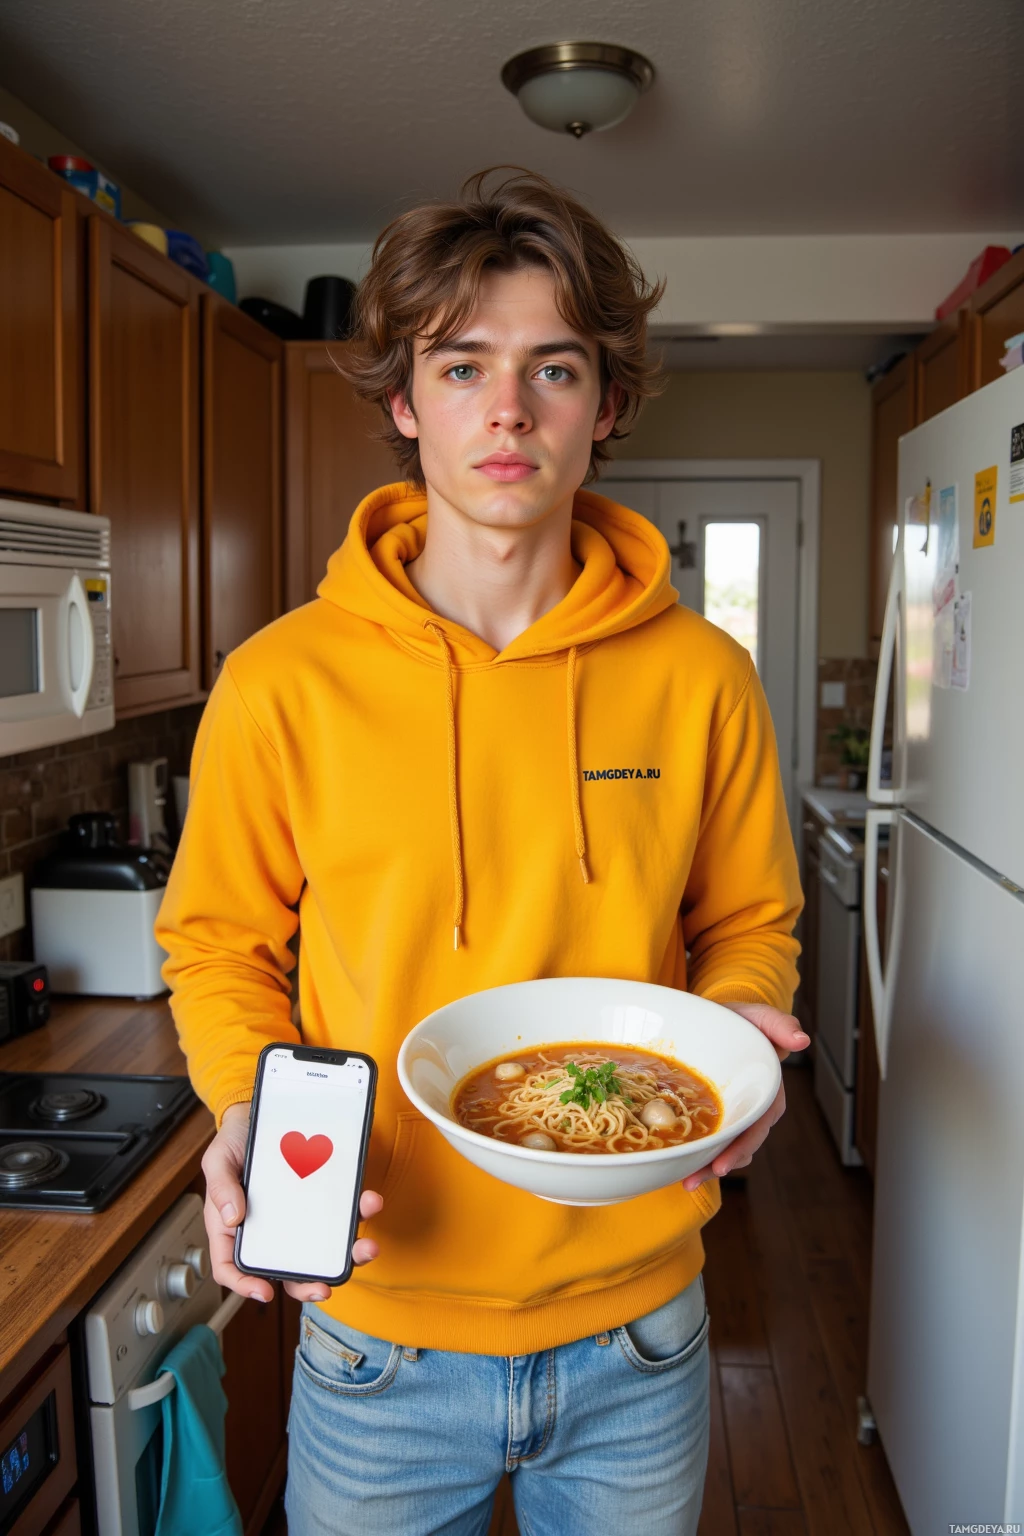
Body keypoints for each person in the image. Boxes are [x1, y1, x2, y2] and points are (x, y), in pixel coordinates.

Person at [156, 167, 806, 1536]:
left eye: (553, 368)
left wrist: (749, 1022)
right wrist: (244, 1110)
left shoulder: (705, 678)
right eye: (463, 366)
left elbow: (750, 915)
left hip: (638, 1334)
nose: (507, 410)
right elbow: (217, 941)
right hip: (375, 1337)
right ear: (406, 403)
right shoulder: (279, 681)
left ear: (606, 405)